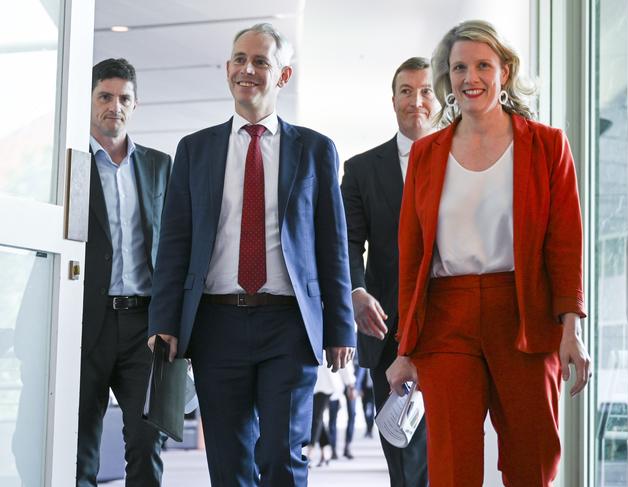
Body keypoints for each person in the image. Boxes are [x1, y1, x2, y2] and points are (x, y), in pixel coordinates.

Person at [147, 23, 356, 487]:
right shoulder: (195, 149)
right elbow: (174, 244)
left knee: (284, 456)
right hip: (215, 324)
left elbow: (332, 246)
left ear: (282, 76)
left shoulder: (315, 150)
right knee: (229, 461)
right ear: (227, 71)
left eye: (261, 61)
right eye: (240, 59)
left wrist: (341, 327)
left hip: (289, 325)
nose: (248, 69)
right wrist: (164, 322)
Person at [386, 20, 592, 487]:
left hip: (523, 312)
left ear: (506, 70)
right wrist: (405, 348)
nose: (470, 77)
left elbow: (565, 244)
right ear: (448, 77)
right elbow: (412, 254)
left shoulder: (547, 146)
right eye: (459, 67)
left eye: (483, 64)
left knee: (533, 458)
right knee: (452, 465)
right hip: (446, 316)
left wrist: (571, 329)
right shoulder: (426, 153)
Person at [77, 58, 172, 487]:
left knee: (147, 445)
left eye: (124, 98)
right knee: (79, 448)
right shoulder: (71, 164)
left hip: (144, 329)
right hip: (84, 323)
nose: (114, 106)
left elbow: (175, 250)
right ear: (91, 100)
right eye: (105, 96)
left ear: (135, 105)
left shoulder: (158, 166)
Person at [341, 57, 434, 486]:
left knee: (452, 454)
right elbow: (346, 243)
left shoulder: (463, 159)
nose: (416, 100)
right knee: (405, 463)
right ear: (393, 99)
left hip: (454, 326)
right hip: (389, 333)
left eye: (427, 90)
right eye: (406, 91)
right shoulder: (361, 170)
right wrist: (357, 292)